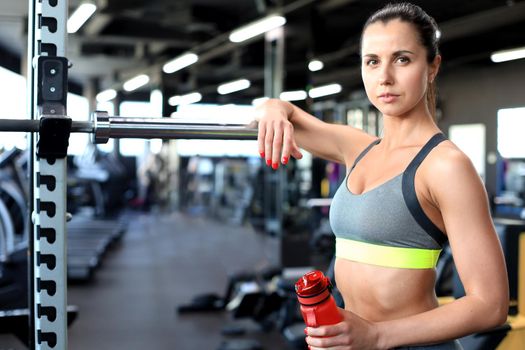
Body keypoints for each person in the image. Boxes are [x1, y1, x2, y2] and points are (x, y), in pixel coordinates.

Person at [254, 2, 508, 349]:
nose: (384, 76)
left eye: (402, 59)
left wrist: (376, 336)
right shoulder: (359, 148)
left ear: (432, 66)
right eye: (372, 61)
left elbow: (490, 306)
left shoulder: (445, 165)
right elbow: (290, 119)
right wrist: (271, 105)